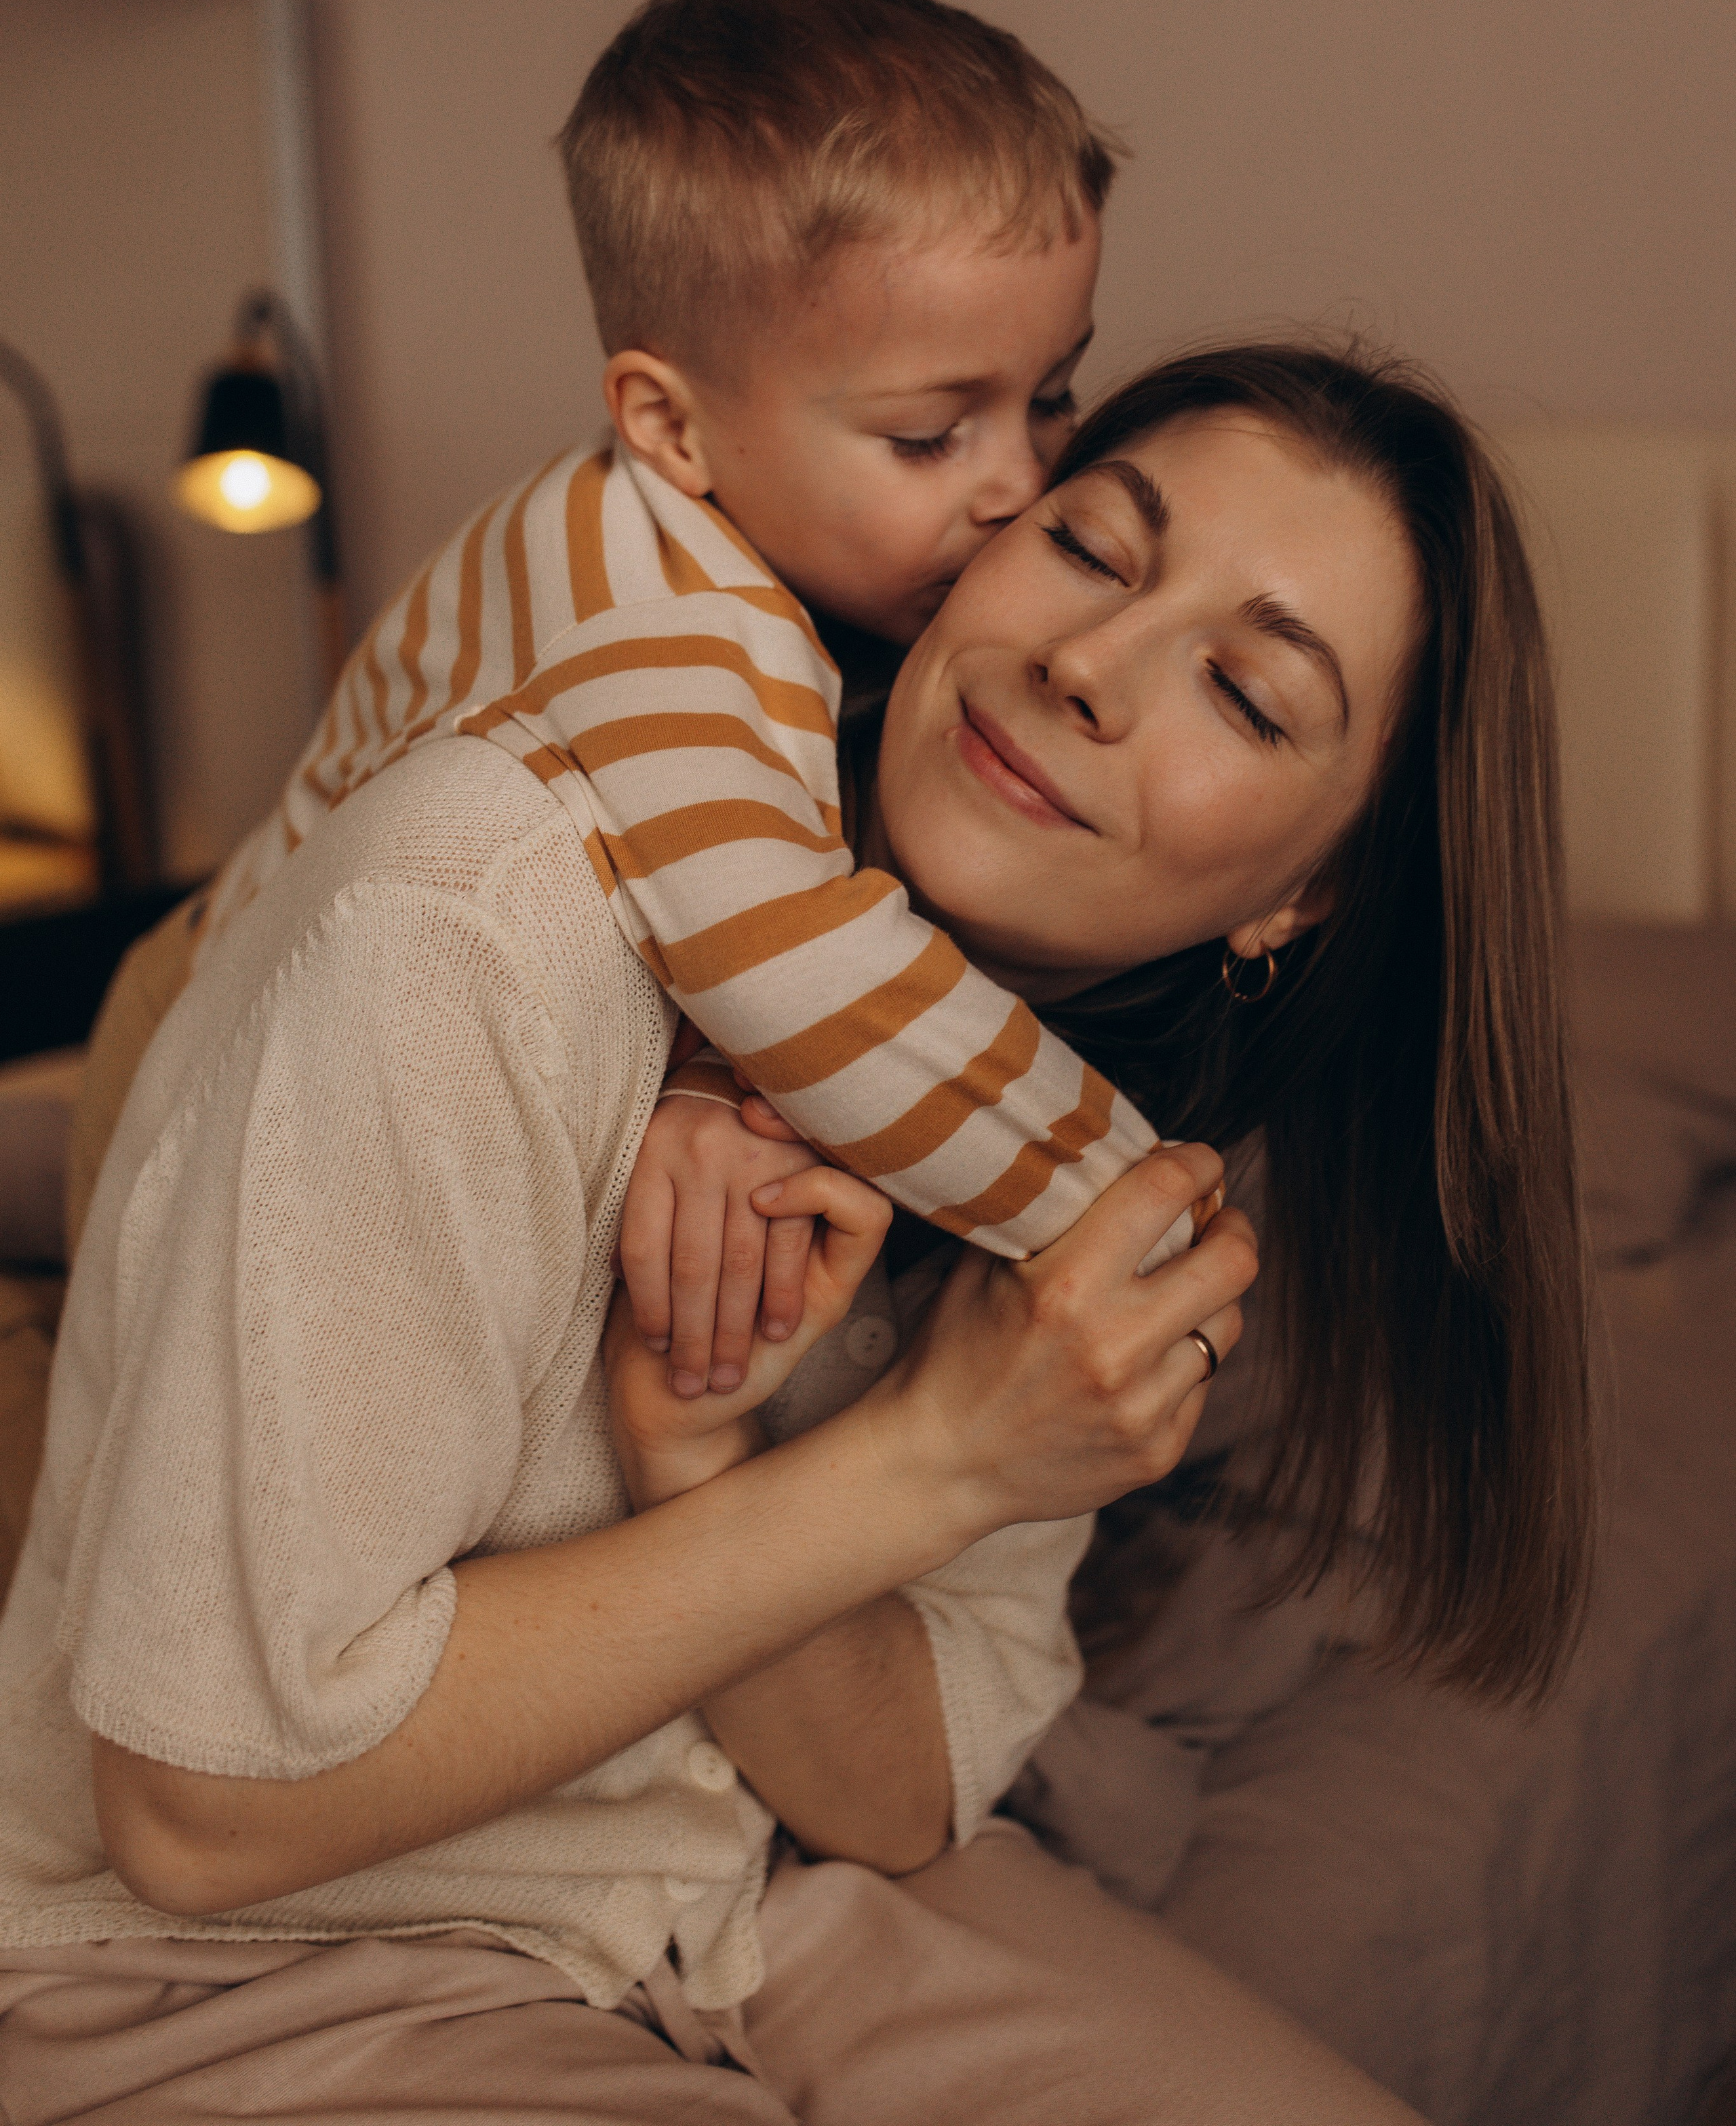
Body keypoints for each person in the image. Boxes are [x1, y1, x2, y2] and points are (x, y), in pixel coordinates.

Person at [0, 342, 1588, 2120]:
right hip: (244, 1967)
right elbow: (205, 1808)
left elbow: (899, 1795)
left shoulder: (1075, 1159)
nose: (1088, 666)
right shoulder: (484, 907)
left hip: (725, 1895)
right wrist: (924, 1462)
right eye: (1088, 548)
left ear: (1306, 894)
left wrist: (701, 1449)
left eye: (1245, 689)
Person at [190, 0, 1205, 1415]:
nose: (1019, 483)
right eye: (930, 436)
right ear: (669, 425)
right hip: (222, 1043)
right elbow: (799, 970)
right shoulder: (667, 618)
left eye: (1050, 396)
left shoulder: (799, 566)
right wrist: (1136, 1212)